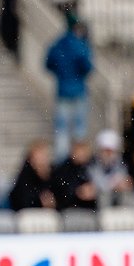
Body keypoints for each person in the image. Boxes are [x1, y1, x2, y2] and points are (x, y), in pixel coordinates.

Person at [45, 20, 93, 161]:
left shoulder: (58, 44)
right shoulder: (80, 45)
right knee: (79, 128)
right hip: (78, 90)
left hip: (62, 90)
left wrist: (61, 74)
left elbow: (48, 63)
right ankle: (79, 159)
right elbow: (87, 67)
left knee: (62, 129)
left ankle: (61, 159)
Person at [8, 139, 56, 211]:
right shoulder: (25, 174)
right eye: (39, 156)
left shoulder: (54, 172)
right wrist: (39, 199)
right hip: (29, 212)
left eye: (44, 155)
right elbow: (22, 198)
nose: (42, 159)